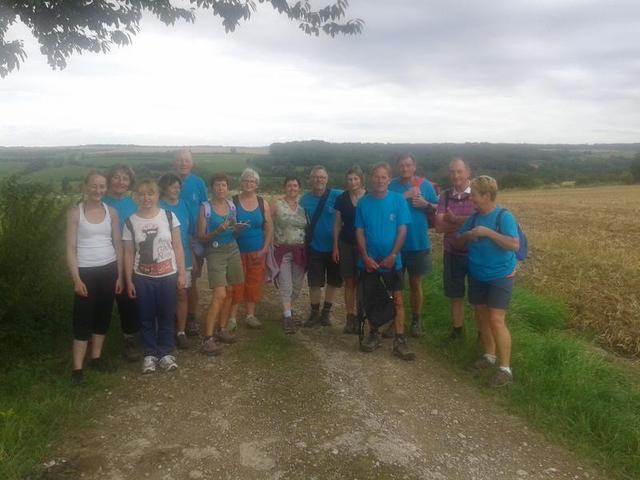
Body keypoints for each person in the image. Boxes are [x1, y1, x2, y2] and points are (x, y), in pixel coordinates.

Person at [455, 175, 519, 388]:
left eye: (474, 195)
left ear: (487, 195)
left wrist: (488, 233)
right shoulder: (474, 217)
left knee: (496, 319)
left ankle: (505, 369)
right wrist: (469, 236)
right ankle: (489, 356)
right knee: (481, 315)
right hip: (478, 274)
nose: (471, 198)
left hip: (500, 275)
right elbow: (459, 237)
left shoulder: (504, 216)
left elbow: (513, 245)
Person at [123, 179, 186, 374]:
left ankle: (166, 353)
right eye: (141, 194)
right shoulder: (130, 222)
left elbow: (177, 246)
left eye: (150, 193)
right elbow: (128, 253)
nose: (146, 198)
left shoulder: (169, 216)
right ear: (135, 197)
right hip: (143, 277)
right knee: (146, 317)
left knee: (166, 315)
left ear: (157, 195)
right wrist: (128, 280)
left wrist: (182, 274)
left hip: (168, 275)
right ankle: (149, 354)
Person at [66, 171, 123, 385]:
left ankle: (96, 358)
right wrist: (76, 279)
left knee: (103, 315)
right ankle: (77, 369)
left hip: (108, 269)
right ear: (86, 186)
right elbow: (70, 248)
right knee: (82, 318)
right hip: (85, 271)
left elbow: (117, 244)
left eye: (102, 186)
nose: (98, 190)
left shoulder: (112, 212)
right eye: (94, 186)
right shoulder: (75, 213)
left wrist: (118, 275)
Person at [356, 162, 415, 360]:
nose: (380, 180)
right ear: (371, 179)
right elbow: (360, 231)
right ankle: (374, 334)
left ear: (389, 179)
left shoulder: (398, 201)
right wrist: (365, 256)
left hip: (393, 262)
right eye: (376, 177)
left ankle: (399, 339)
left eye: (384, 177)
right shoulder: (363, 203)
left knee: (397, 300)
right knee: (372, 299)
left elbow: (402, 230)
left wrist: (393, 255)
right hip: (370, 261)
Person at [388, 153, 439, 337]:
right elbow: (385, 206)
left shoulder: (425, 185)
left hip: (418, 242)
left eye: (408, 165)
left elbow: (438, 208)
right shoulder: (391, 185)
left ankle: (416, 321)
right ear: (397, 167)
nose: (405, 168)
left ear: (414, 166)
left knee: (416, 283)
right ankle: (395, 320)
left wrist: (426, 204)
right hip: (395, 245)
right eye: (402, 165)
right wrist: (405, 196)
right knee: (395, 286)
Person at [197, 174, 245, 356]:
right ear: (212, 188)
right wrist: (217, 230)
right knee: (220, 294)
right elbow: (201, 237)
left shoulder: (231, 206)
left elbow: (234, 232)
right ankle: (207, 338)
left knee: (232, 291)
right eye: (217, 185)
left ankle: (222, 329)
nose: (220, 188)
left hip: (232, 248)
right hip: (215, 251)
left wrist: (238, 230)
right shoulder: (205, 208)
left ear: (227, 187)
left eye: (224, 185)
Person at [435, 158, 475, 342]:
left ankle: (482, 336)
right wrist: (467, 223)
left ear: (468, 172)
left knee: (479, 300)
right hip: (452, 253)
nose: (455, 175)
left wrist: (455, 219)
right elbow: (439, 227)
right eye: (452, 172)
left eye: (459, 171)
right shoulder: (445, 195)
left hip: (476, 254)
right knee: (455, 295)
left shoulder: (478, 194)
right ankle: (457, 333)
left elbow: (483, 222)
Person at [103, 164, 140, 362]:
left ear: (130, 183)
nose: (120, 181)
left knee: (128, 299)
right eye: (117, 177)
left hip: (129, 258)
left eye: (125, 178)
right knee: (103, 301)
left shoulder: (132, 204)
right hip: (104, 260)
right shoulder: (101, 201)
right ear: (110, 179)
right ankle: (96, 341)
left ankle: (130, 338)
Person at [229, 168, 273, 330]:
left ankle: (250, 315)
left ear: (257, 185)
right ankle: (232, 318)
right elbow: (227, 227)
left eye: (252, 181)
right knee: (236, 283)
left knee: (253, 283)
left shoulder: (262, 203)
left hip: (257, 251)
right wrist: (235, 229)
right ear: (241, 183)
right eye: (246, 180)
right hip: (235, 251)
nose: (249, 183)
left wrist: (265, 248)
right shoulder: (232, 202)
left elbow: (269, 227)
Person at [300, 165, 343, 327]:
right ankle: (314, 313)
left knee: (333, 282)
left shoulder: (338, 195)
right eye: (316, 177)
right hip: (315, 247)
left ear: (327, 179)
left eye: (322, 177)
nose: (319, 180)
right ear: (311, 179)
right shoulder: (304, 200)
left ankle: (326, 314)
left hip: (335, 248)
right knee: (314, 283)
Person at [175, 149, 208, 337]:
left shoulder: (198, 182)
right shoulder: (169, 181)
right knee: (173, 281)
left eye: (186, 160)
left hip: (194, 240)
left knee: (192, 281)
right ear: (175, 163)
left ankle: (192, 317)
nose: (183, 163)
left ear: (192, 163)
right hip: (172, 239)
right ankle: (174, 316)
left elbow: (205, 209)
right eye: (179, 160)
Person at [159, 173, 193, 350]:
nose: (176, 189)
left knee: (181, 293)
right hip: (162, 257)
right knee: (164, 295)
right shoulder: (157, 206)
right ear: (164, 187)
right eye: (173, 186)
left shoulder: (185, 205)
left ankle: (181, 331)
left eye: (178, 187)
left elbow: (190, 231)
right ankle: (164, 330)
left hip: (183, 256)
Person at [270, 176, 308, 333]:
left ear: (299, 188)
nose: (292, 188)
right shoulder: (276, 205)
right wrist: (270, 239)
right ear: (284, 187)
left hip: (299, 250)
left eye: (295, 185)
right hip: (283, 250)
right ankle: (287, 317)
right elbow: (265, 221)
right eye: (289, 185)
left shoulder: (302, 208)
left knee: (298, 286)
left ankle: (289, 310)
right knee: (287, 285)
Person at [332, 166, 366, 334]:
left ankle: (362, 316)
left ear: (361, 179)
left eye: (356, 179)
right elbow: (338, 224)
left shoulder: (369, 197)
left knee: (363, 282)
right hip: (346, 244)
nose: (352, 182)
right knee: (349, 282)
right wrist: (335, 246)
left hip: (364, 246)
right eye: (350, 179)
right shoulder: (341, 199)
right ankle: (350, 317)